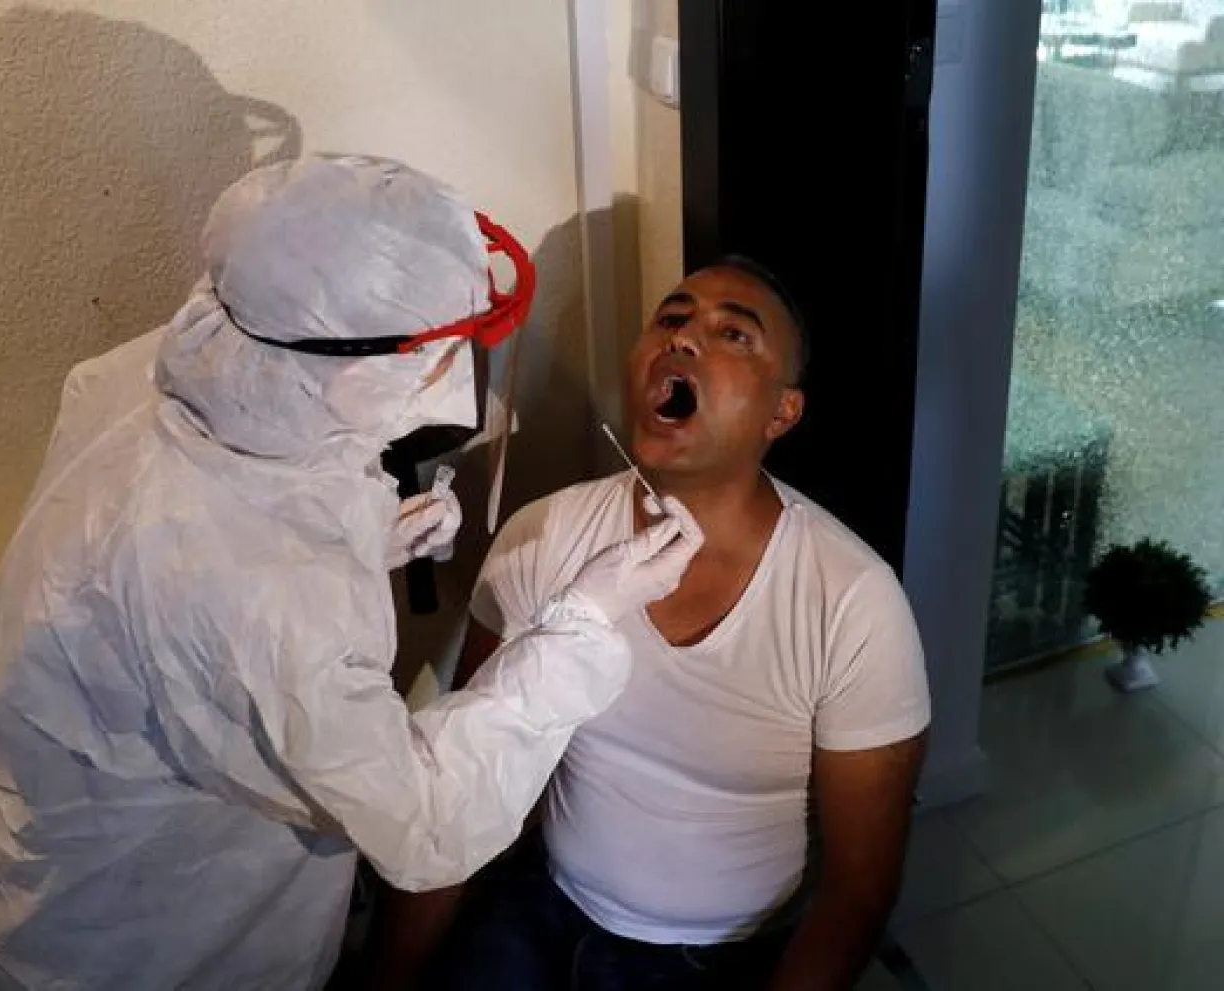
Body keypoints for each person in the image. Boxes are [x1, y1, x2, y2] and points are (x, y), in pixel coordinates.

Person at [0, 155, 703, 991]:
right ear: (363, 372)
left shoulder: (200, 358)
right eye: (444, 354)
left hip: (59, 850)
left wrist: (362, 536)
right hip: (137, 946)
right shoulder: (264, 597)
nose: (456, 371)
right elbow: (423, 821)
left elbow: (217, 519)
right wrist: (584, 624)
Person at [372, 257, 931, 990]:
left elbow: (858, 892)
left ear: (782, 413)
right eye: (671, 318)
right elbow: (467, 785)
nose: (684, 338)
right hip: (543, 907)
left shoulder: (854, 601)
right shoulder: (542, 536)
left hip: (722, 955)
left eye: (734, 333)